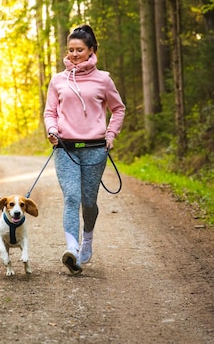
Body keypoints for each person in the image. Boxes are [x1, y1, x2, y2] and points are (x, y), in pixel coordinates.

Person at [43, 25, 126, 275]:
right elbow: (50, 112)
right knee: (71, 197)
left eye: (80, 50)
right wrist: (52, 130)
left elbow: (118, 108)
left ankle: (87, 238)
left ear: (92, 50)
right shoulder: (58, 80)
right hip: (65, 149)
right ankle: (73, 250)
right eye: (71, 50)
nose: (75, 54)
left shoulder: (104, 80)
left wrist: (111, 134)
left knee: (89, 202)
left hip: (95, 151)